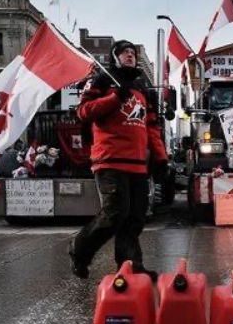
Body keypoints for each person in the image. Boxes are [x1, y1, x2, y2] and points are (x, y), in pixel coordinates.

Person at [68, 40, 168, 280]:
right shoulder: (103, 80)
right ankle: (79, 251)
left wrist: (161, 159)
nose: (130, 56)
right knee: (115, 213)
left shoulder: (143, 87)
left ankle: (130, 266)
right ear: (115, 57)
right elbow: (83, 112)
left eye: (133, 52)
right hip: (109, 159)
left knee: (135, 217)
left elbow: (152, 127)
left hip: (137, 163)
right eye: (125, 52)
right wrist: (114, 98)